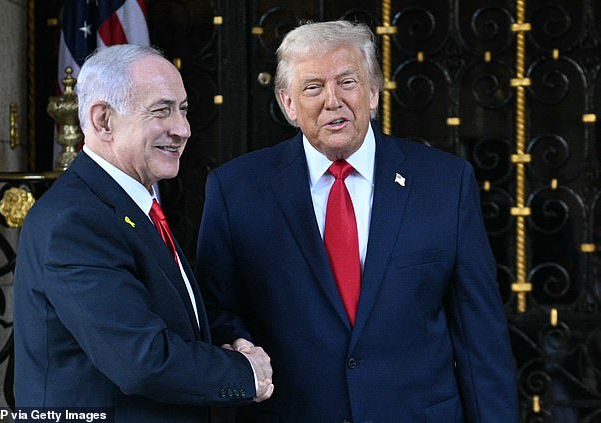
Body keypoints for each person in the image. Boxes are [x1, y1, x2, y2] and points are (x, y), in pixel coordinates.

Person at [196, 20, 518, 422]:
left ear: (373, 93)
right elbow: (215, 310)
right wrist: (240, 347)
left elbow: (480, 335)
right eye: (313, 87)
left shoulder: (444, 184)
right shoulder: (236, 190)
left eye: (347, 82)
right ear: (288, 103)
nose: (333, 101)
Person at [13, 44, 273, 423]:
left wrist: (233, 340)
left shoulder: (129, 204)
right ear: (103, 120)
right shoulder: (75, 221)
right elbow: (140, 360)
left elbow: (172, 317)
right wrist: (245, 374)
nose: (183, 129)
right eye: (161, 110)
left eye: (183, 109)